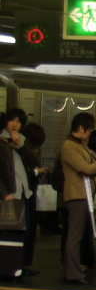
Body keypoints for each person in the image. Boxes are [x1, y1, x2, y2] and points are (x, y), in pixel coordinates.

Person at [59, 112, 96, 284]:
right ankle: (72, 272)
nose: (89, 134)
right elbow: (86, 168)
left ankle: (75, 269)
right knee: (75, 235)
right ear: (80, 129)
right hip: (76, 194)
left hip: (85, 193)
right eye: (89, 131)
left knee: (80, 234)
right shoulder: (69, 146)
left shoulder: (80, 145)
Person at [1, 108, 39, 277]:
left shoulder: (23, 141)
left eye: (18, 121)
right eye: (12, 120)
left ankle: (24, 265)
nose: (15, 125)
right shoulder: (1, 142)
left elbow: (34, 162)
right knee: (10, 232)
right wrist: (3, 193)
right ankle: (9, 267)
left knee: (27, 231)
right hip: (10, 193)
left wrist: (21, 146)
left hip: (25, 192)